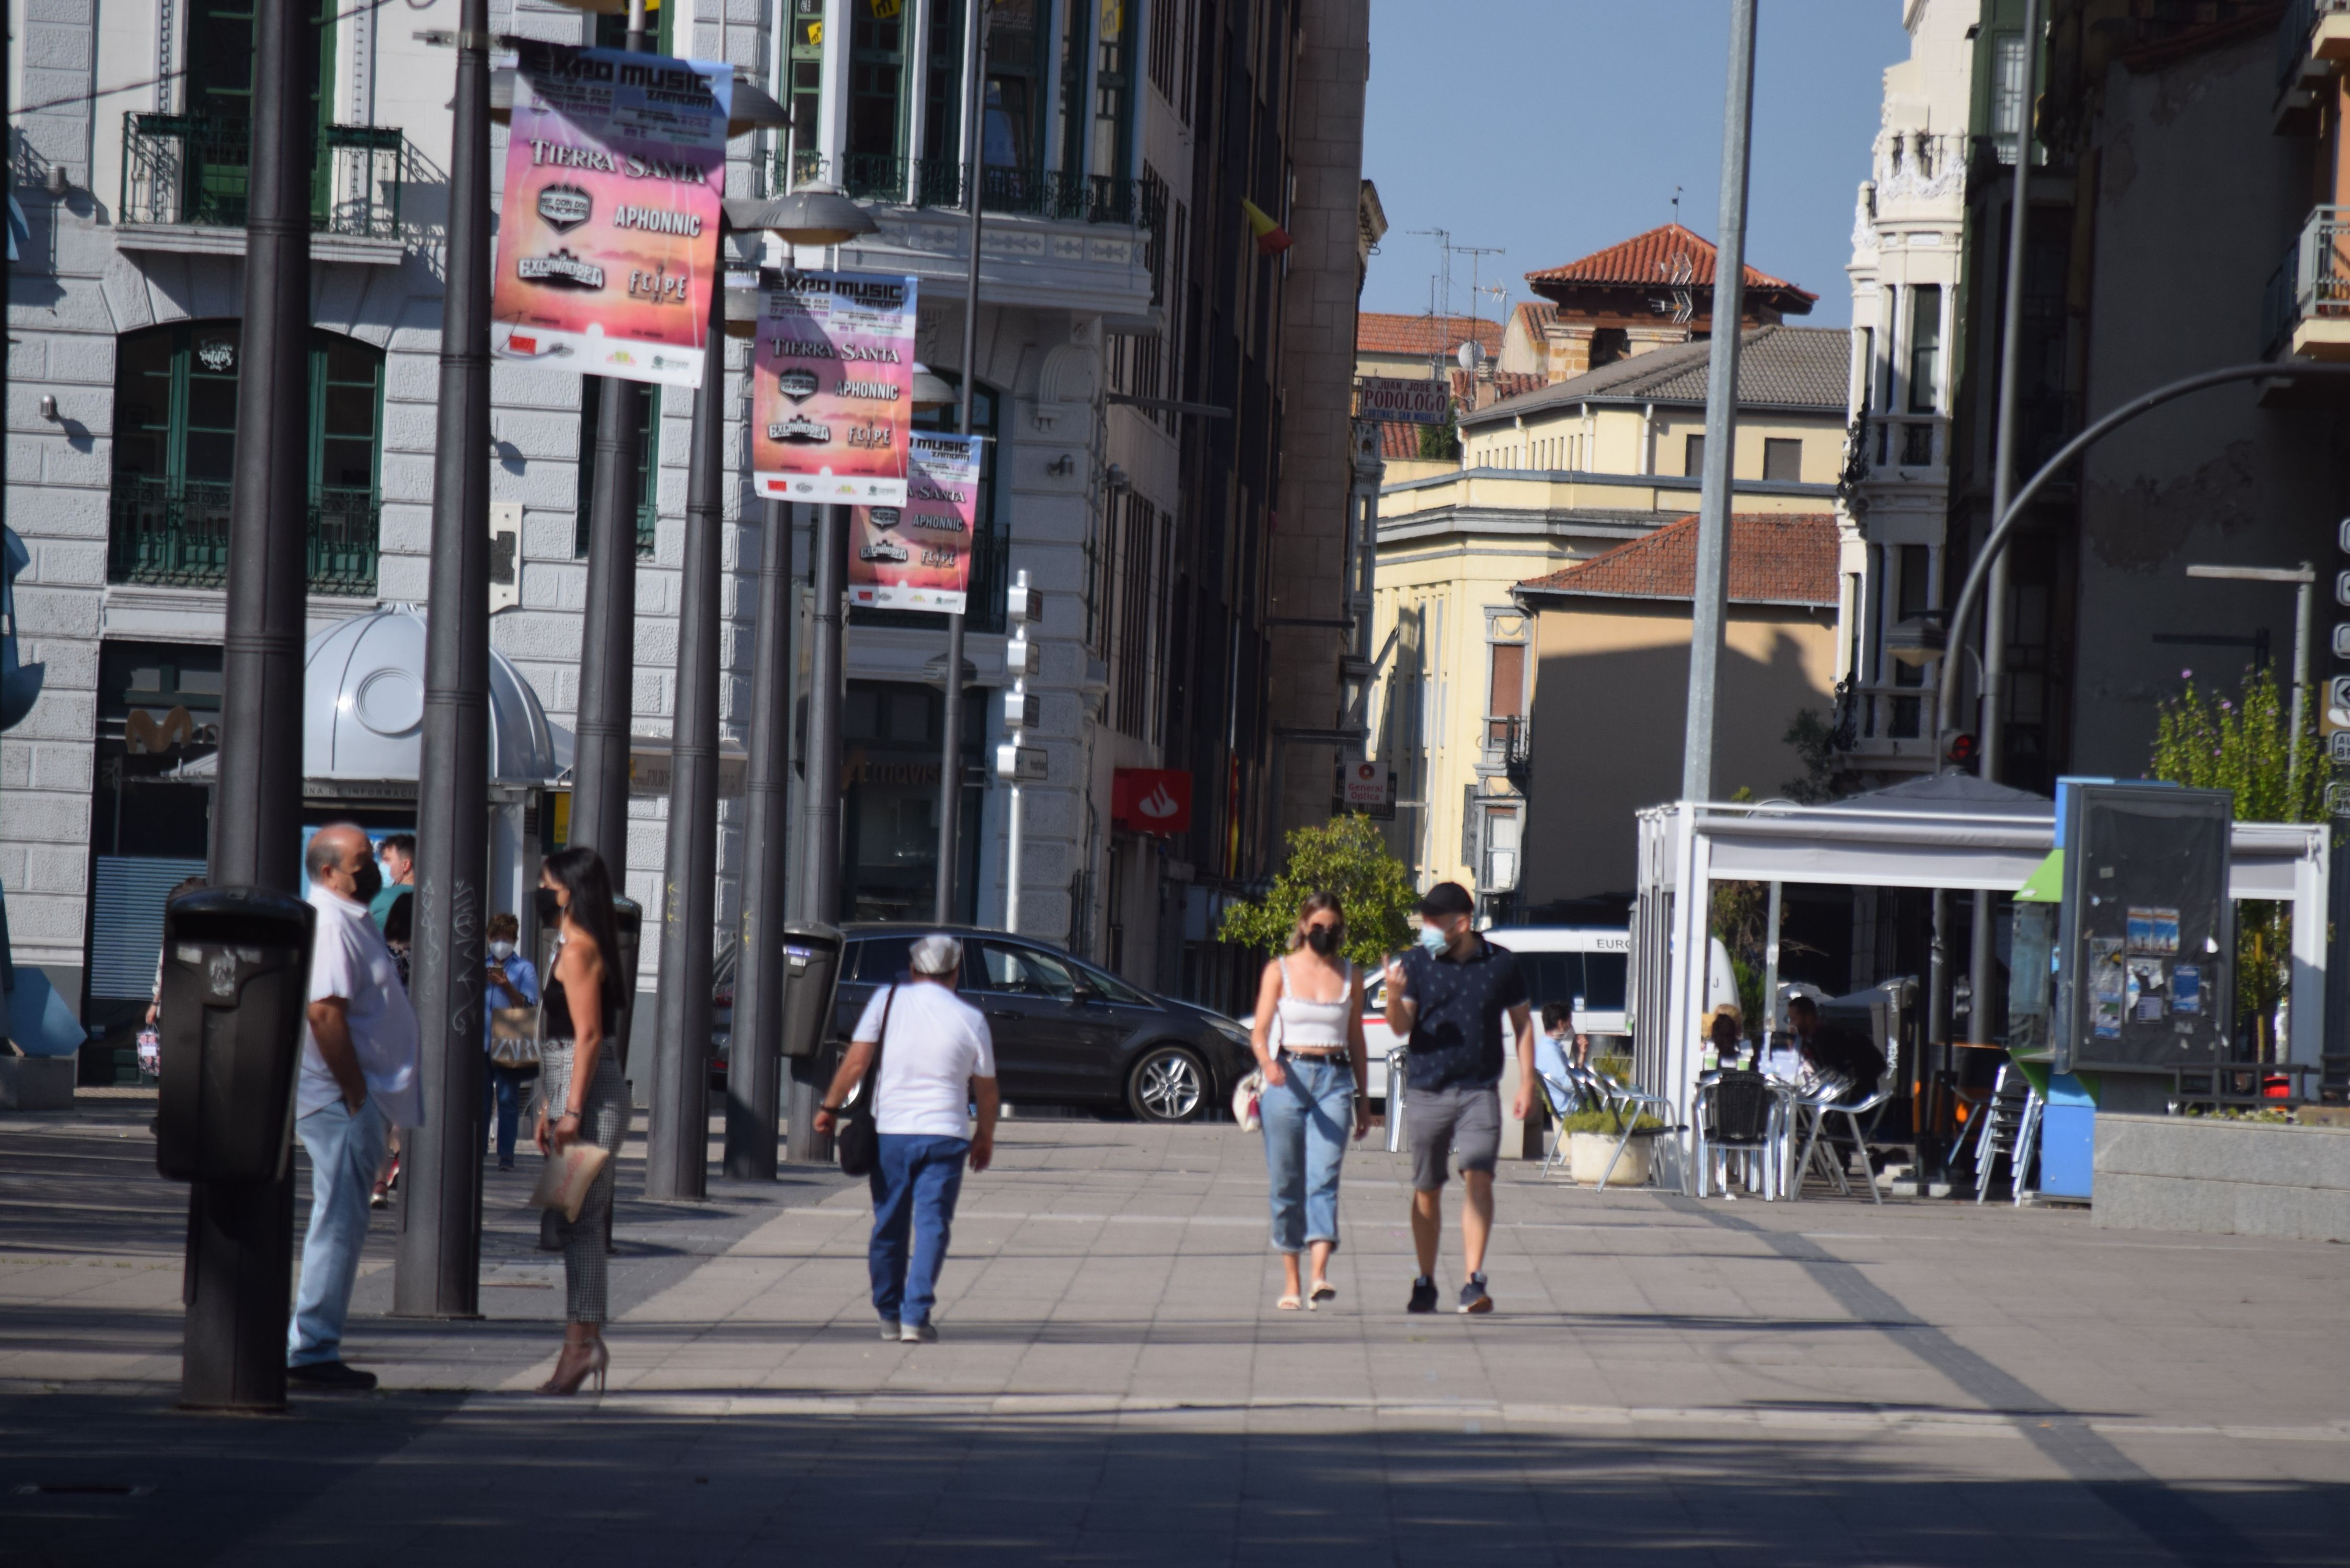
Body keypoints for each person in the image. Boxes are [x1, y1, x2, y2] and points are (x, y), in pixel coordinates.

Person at [287, 824, 422, 1392]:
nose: (372, 868)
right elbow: (324, 1014)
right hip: (344, 1101)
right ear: (329, 873)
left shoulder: (351, 920)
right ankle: (313, 1348)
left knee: (344, 1218)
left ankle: (316, 1343)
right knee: (339, 1222)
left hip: (355, 1099)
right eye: (362, 861)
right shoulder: (329, 925)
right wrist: (356, 1094)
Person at [815, 933, 999, 1344]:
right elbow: (986, 1091)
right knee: (933, 1223)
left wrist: (829, 1107)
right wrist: (985, 1136)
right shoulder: (973, 1020)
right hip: (946, 1135)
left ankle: (888, 1314)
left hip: (892, 1133)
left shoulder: (886, 1001)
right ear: (955, 974)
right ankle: (917, 1315)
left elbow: (857, 1063)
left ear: (915, 971)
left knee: (890, 1223)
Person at [1382, 881, 1534, 1316]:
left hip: (1479, 1090)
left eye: (1435, 921)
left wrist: (1526, 1083)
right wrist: (1393, 996)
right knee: (1427, 1188)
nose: (1426, 927)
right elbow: (1398, 1026)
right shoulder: (1416, 962)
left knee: (1479, 1175)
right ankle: (1426, 1280)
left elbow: (1523, 1026)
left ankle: (1473, 1281)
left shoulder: (1501, 964)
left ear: (1463, 924)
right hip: (1428, 1088)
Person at [533, 845, 630, 1396]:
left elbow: (587, 1036)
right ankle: (582, 1342)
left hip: (589, 1093)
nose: (542, 892)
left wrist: (570, 1109)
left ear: (570, 889)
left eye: (548, 883)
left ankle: (580, 1347)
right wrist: (549, 1104)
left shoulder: (578, 951)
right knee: (576, 1224)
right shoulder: (568, 946)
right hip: (574, 1087)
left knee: (581, 1225)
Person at [1247, 892, 1372, 1311]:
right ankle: (1291, 1282)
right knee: (1286, 1181)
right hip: (1287, 1077)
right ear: (1303, 926)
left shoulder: (1351, 974)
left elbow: (1356, 1037)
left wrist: (1364, 1100)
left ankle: (1319, 1276)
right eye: (1317, 927)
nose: (1325, 934)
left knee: (1324, 1177)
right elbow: (1259, 1032)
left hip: (1334, 1081)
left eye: (1333, 928)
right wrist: (1267, 1064)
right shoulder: (1278, 971)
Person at [482, 912, 540, 1170]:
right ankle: (479, 1149)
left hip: (510, 1039)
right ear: (489, 939)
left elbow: (528, 1005)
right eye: (497, 938)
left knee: (507, 1100)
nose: (501, 944)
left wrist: (506, 985)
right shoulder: (479, 965)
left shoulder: (524, 969)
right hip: (481, 1040)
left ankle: (506, 1154)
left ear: (515, 941)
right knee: (481, 1100)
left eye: (507, 939)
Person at [369, 833, 414, 930]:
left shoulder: (379, 897)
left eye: (387, 860)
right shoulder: (432, 898)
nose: (382, 864)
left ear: (405, 865)